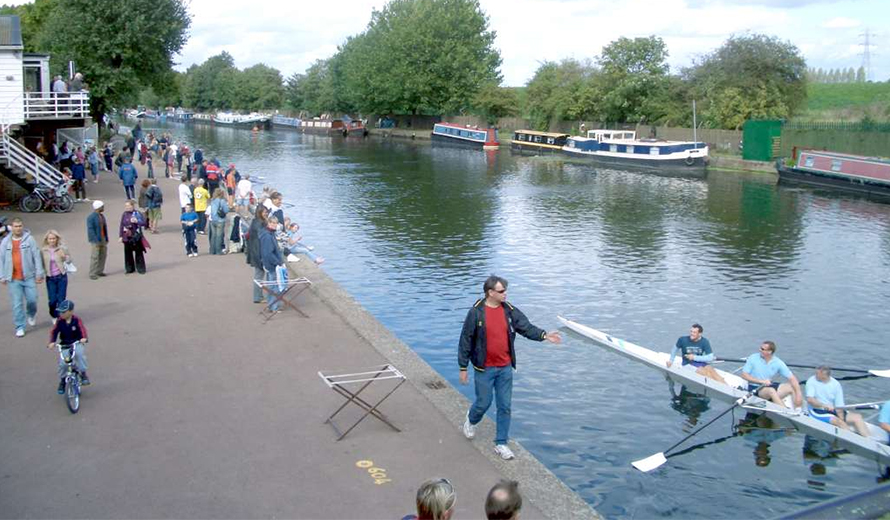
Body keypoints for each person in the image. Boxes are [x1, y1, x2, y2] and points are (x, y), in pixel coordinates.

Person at [458, 275, 561, 460]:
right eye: (501, 291)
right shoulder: (476, 312)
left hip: (505, 367)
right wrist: (463, 367)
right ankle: (471, 419)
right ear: (490, 293)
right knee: (483, 403)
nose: (505, 294)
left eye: (505, 290)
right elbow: (466, 339)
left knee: (505, 406)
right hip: (484, 368)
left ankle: (501, 443)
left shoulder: (509, 310)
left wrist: (544, 335)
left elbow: (525, 327)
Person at [0, 217, 45, 337]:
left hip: (29, 276)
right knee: (17, 303)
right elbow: (1, 259)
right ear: (12, 228)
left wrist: (39, 273)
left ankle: (31, 314)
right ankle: (20, 326)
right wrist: (2, 276)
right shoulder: (5, 241)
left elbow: (36, 256)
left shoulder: (29, 239)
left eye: (20, 226)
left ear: (22, 227)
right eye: (15, 226)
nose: (18, 228)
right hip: (13, 278)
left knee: (32, 300)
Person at [805, 365, 870, 436]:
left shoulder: (835, 384)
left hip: (833, 410)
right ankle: (852, 440)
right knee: (840, 423)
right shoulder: (811, 381)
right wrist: (824, 405)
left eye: (817, 374)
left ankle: (870, 441)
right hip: (817, 411)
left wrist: (841, 417)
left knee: (857, 418)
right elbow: (810, 400)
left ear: (825, 375)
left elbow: (839, 406)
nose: (815, 376)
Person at [740, 341, 803, 409]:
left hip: (768, 385)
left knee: (791, 387)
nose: (759, 350)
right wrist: (762, 381)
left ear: (769, 352)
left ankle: (798, 410)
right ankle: (786, 411)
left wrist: (798, 393)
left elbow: (792, 378)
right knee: (771, 391)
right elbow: (744, 375)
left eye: (762, 349)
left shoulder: (778, 362)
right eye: (760, 348)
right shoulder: (753, 358)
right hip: (754, 387)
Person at [47, 299, 90, 393]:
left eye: (64, 312)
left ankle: (83, 373)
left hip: (76, 342)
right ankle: (62, 381)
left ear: (71, 311)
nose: (61, 314)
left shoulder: (76, 320)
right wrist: (52, 342)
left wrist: (84, 338)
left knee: (79, 354)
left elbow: (82, 330)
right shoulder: (59, 321)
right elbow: (54, 332)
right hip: (65, 344)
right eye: (60, 312)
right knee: (63, 363)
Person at [40, 230, 71, 324]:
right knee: (52, 300)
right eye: (50, 239)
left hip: (61, 276)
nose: (52, 240)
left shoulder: (62, 248)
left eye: (54, 238)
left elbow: (69, 260)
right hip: (50, 278)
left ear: (57, 239)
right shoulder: (43, 250)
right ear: (47, 240)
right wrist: (40, 274)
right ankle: (53, 314)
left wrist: (65, 257)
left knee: (61, 298)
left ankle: (59, 316)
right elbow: (41, 263)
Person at [260, 215, 284, 312]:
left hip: (269, 264)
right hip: (272, 265)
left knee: (271, 286)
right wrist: (278, 263)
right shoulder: (268, 236)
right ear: (268, 223)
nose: (274, 225)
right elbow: (268, 253)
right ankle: (274, 307)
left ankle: (271, 305)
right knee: (276, 286)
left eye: (276, 223)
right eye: (272, 223)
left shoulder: (268, 233)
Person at [247, 205, 268, 303]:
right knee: (259, 275)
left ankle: (258, 296)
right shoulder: (260, 224)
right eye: (264, 212)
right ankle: (257, 297)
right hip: (258, 253)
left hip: (254, 251)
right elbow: (261, 239)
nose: (266, 214)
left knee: (258, 275)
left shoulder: (255, 222)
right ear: (260, 213)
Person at [119, 200, 147, 274]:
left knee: (139, 253)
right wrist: (120, 236)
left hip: (136, 236)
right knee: (128, 253)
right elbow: (121, 225)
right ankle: (129, 269)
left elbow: (144, 223)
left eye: (128, 206)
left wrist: (137, 221)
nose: (127, 207)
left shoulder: (137, 213)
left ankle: (141, 268)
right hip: (127, 236)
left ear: (132, 206)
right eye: (126, 206)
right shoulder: (124, 214)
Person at [86, 201, 108, 280]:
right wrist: (95, 240)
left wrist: (106, 238)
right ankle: (92, 273)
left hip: (103, 238)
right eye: (102, 206)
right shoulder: (91, 217)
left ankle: (99, 271)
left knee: (103, 255)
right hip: (96, 239)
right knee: (95, 256)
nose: (103, 208)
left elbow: (104, 228)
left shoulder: (101, 216)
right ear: (98, 208)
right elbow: (90, 229)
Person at [209, 188, 229, 255]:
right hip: (220, 220)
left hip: (213, 219)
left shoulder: (212, 200)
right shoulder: (222, 201)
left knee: (213, 236)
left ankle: (212, 250)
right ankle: (218, 251)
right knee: (219, 236)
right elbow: (226, 210)